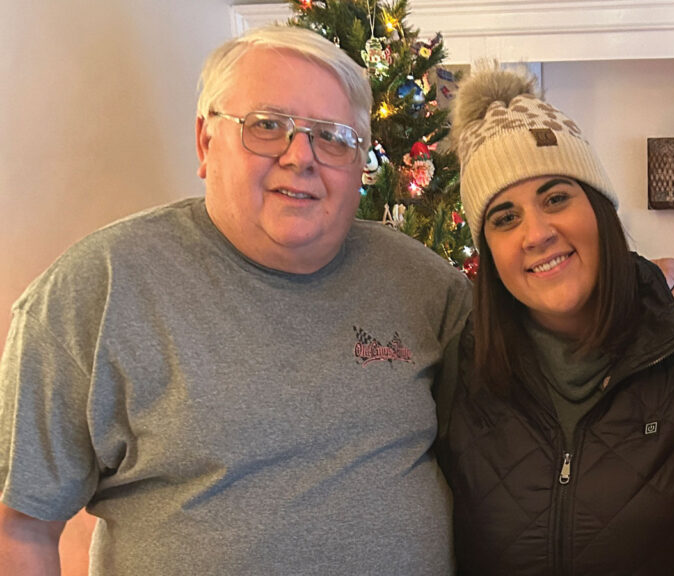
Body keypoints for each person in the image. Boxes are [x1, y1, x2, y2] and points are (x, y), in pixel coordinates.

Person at [0, 26, 474, 574]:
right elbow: (21, 527)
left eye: (334, 136)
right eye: (268, 126)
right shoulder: (95, 292)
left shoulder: (420, 282)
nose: (302, 156)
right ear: (205, 142)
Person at [434, 66, 674, 575]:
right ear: (489, 253)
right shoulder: (460, 371)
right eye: (504, 218)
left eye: (556, 198)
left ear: (600, 211)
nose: (536, 233)